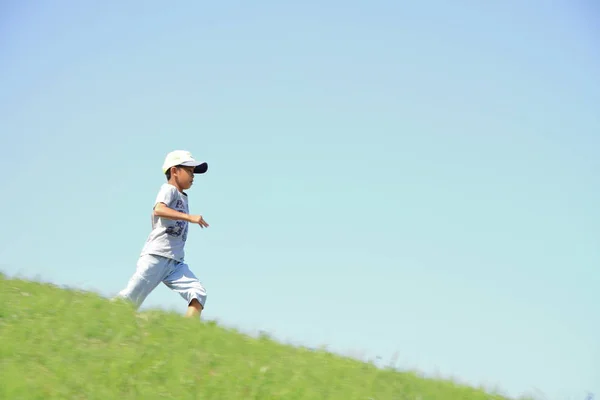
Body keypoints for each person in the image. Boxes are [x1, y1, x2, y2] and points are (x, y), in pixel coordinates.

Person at [116, 150, 210, 318]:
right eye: (189, 171)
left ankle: (186, 335)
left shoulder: (183, 197)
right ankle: (98, 315)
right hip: (157, 257)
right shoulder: (169, 190)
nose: (193, 175)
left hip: (175, 263)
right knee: (129, 300)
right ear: (174, 171)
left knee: (198, 293)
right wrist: (189, 217)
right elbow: (159, 209)